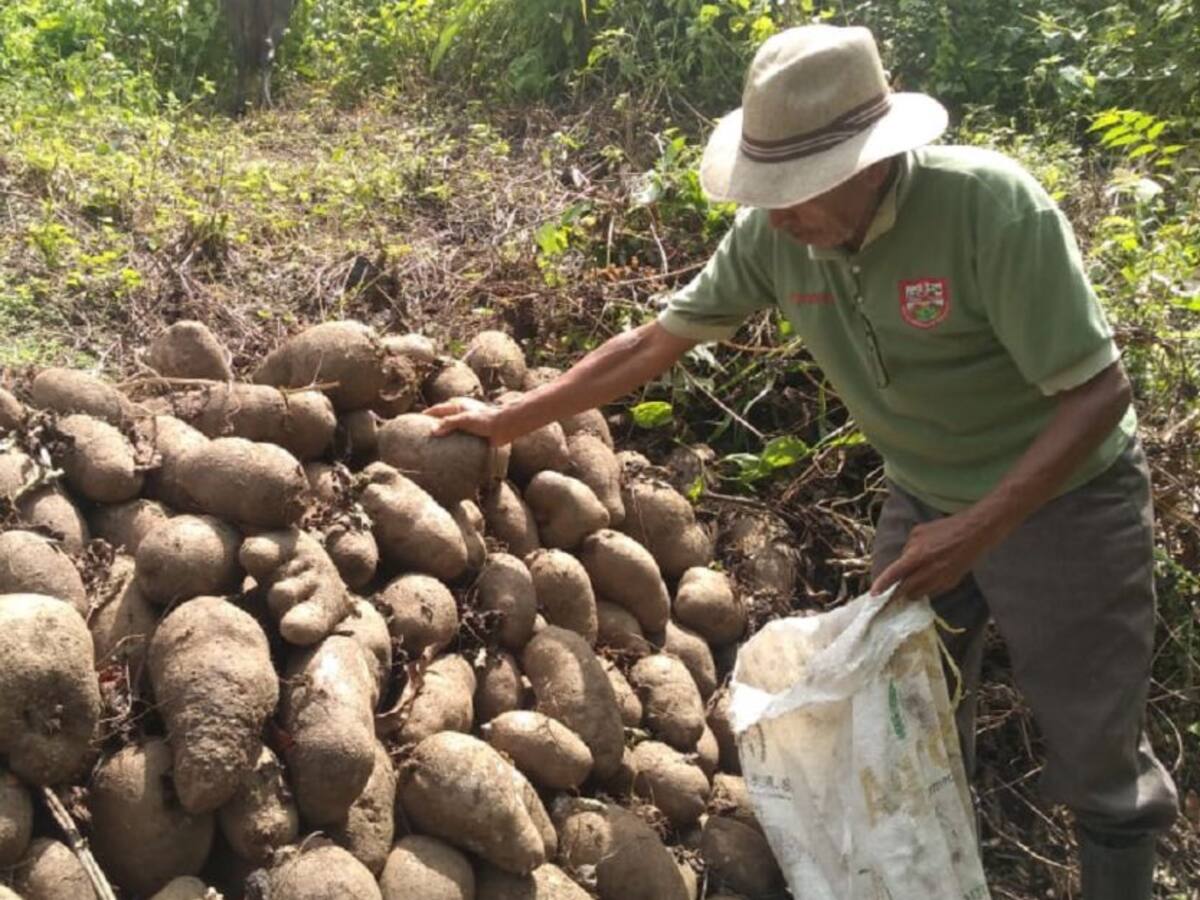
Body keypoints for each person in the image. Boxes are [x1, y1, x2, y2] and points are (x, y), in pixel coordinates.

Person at [428, 24, 1178, 898]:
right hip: (925, 495)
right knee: (908, 718)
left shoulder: (990, 208)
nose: (779, 212)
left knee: (1097, 753)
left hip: (1067, 501)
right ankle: (943, 873)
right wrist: (509, 416)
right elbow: (649, 344)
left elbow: (1100, 396)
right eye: (767, 188)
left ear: (870, 161)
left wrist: (976, 530)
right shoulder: (777, 235)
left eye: (799, 189)